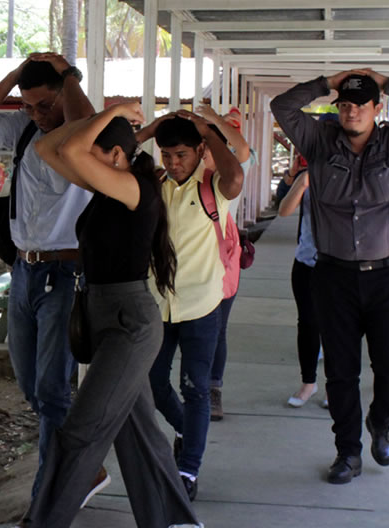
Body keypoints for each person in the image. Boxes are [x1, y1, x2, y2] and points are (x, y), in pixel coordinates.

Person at [24, 103, 200, 527]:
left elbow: (72, 153)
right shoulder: (109, 188)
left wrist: (116, 115)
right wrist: (106, 115)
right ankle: (176, 520)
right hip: (104, 317)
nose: (86, 159)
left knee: (80, 432)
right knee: (140, 434)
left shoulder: (134, 189)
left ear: (118, 156)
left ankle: (41, 522)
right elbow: (49, 149)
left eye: (102, 153)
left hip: (129, 325)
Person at [271, 69, 389, 485]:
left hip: (387, 276)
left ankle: (380, 424)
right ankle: (347, 452)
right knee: (341, 372)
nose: (351, 111)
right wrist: (329, 82)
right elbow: (282, 106)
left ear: (376, 109)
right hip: (334, 276)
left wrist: (384, 80)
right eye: (344, 104)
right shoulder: (317, 140)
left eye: (360, 104)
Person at [0, 53, 98, 499]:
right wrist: (17, 77)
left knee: (53, 391)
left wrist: (68, 74)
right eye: (29, 106)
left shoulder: (80, 137)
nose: (37, 114)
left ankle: (49, 496)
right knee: (31, 385)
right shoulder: (23, 132)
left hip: (65, 270)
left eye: (45, 105)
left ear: (64, 95)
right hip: (23, 269)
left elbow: (86, 118)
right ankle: (84, 465)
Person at [149, 111, 244, 500]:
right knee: (154, 383)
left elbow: (236, 178)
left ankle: (189, 469)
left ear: (200, 151)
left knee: (196, 389)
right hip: (159, 305)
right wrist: (149, 128)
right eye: (167, 155)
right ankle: (187, 428)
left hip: (203, 305)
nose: (173, 163)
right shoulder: (153, 184)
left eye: (182, 155)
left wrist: (207, 130)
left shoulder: (212, 186)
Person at [194, 105, 253, 422]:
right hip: (192, 259)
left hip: (222, 259)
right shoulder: (191, 169)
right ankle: (198, 386)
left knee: (216, 329)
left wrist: (214, 122)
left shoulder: (229, 174)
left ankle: (212, 388)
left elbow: (242, 148)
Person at [276, 154, 324, 408]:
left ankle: (337, 385)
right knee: (308, 322)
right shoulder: (308, 178)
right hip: (307, 261)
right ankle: (308, 382)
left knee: (340, 326)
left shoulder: (352, 176)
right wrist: (302, 181)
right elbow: (284, 210)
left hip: (341, 265)